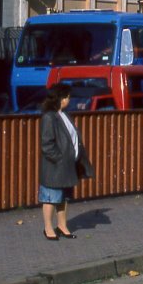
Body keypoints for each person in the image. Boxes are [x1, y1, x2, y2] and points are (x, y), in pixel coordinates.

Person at [39, 84, 94, 241]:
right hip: (55, 167)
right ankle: (48, 228)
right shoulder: (49, 117)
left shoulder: (64, 115)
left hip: (67, 166)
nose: (69, 100)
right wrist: (60, 159)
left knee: (64, 198)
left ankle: (62, 226)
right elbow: (47, 144)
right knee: (50, 197)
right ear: (61, 98)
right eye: (68, 97)